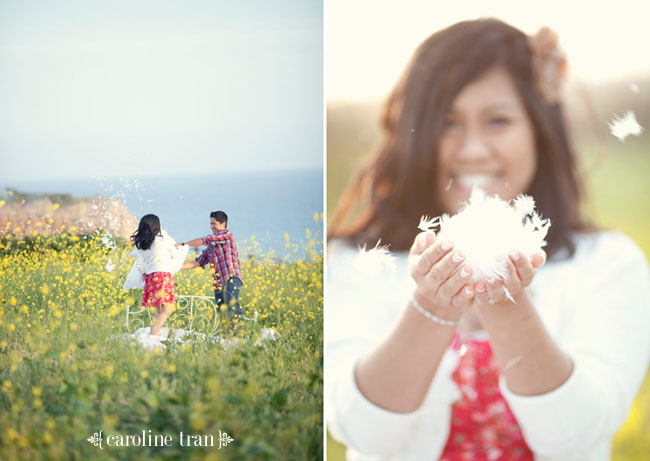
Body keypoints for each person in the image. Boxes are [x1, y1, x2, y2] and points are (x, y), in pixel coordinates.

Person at [326, 18, 650, 460]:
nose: (473, 149)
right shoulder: (357, 261)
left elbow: (577, 434)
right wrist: (431, 308)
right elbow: (363, 431)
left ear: (540, 130)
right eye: (447, 123)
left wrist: (507, 306)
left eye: (498, 121)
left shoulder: (609, 264)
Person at [179, 211, 244, 328]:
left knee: (231, 306)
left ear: (223, 224)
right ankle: (227, 338)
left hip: (231, 278)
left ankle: (240, 335)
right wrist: (175, 267)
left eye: (214, 224)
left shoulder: (227, 235)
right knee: (222, 312)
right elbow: (198, 262)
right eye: (210, 224)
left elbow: (205, 240)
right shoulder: (211, 246)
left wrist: (183, 244)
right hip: (219, 284)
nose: (211, 226)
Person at [128, 214, 188, 337]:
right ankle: (153, 335)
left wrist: (145, 275)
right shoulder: (162, 240)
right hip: (164, 276)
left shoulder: (142, 245)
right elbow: (174, 254)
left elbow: (140, 265)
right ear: (157, 226)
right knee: (168, 309)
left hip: (150, 278)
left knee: (158, 311)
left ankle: (153, 334)